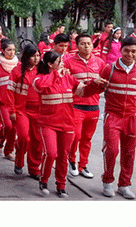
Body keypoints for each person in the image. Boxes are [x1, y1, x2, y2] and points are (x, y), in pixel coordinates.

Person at [33, 50, 102, 198]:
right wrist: (56, 75)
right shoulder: (40, 78)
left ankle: (61, 185)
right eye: (60, 61)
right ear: (50, 64)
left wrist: (96, 85)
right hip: (48, 123)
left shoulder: (69, 79)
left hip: (67, 124)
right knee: (51, 153)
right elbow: (40, 86)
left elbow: (84, 92)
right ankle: (43, 180)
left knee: (63, 156)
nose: (64, 64)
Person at [98, 36, 136, 199]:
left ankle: (124, 185)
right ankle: (107, 181)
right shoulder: (110, 69)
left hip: (132, 118)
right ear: (120, 50)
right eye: (126, 50)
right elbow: (95, 88)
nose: (130, 54)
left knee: (129, 153)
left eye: (134, 51)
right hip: (112, 116)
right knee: (111, 150)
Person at [63, 33, 106, 179]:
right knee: (76, 136)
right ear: (77, 45)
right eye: (83, 43)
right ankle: (72, 161)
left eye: (89, 43)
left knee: (87, 139)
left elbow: (105, 82)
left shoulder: (99, 63)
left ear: (93, 45)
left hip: (93, 106)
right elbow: (64, 82)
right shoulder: (68, 62)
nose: (86, 46)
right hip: (75, 106)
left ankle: (83, 165)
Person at [7, 43, 42, 178]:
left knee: (37, 141)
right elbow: (9, 93)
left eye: (38, 56)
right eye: (33, 56)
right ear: (26, 56)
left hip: (38, 111)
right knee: (23, 138)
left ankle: (34, 168)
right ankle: (19, 161)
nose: (36, 59)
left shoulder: (42, 71)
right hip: (21, 111)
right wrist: (12, 110)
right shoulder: (16, 71)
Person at [0, 39, 18, 160]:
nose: (12, 52)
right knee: (8, 126)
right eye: (9, 50)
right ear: (2, 51)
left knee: (14, 128)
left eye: (13, 50)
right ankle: (0, 141)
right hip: (2, 102)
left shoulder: (18, 65)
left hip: (15, 102)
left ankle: (8, 151)